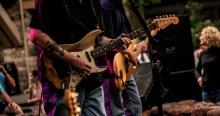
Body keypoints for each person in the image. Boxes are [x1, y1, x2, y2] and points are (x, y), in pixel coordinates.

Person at [29, 0, 134, 115]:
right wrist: (72, 60)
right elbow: (35, 35)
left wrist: (114, 42)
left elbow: (97, 38)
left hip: (92, 79)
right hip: (62, 78)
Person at [100, 0, 143, 115]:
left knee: (135, 107)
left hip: (124, 63)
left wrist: (135, 48)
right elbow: (103, 43)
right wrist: (129, 53)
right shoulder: (105, 6)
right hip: (111, 66)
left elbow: (126, 38)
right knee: (116, 110)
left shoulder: (117, 5)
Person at [195, 26, 220, 103]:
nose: (201, 41)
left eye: (203, 38)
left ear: (209, 37)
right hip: (206, 91)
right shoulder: (202, 53)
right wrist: (199, 77)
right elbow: (196, 69)